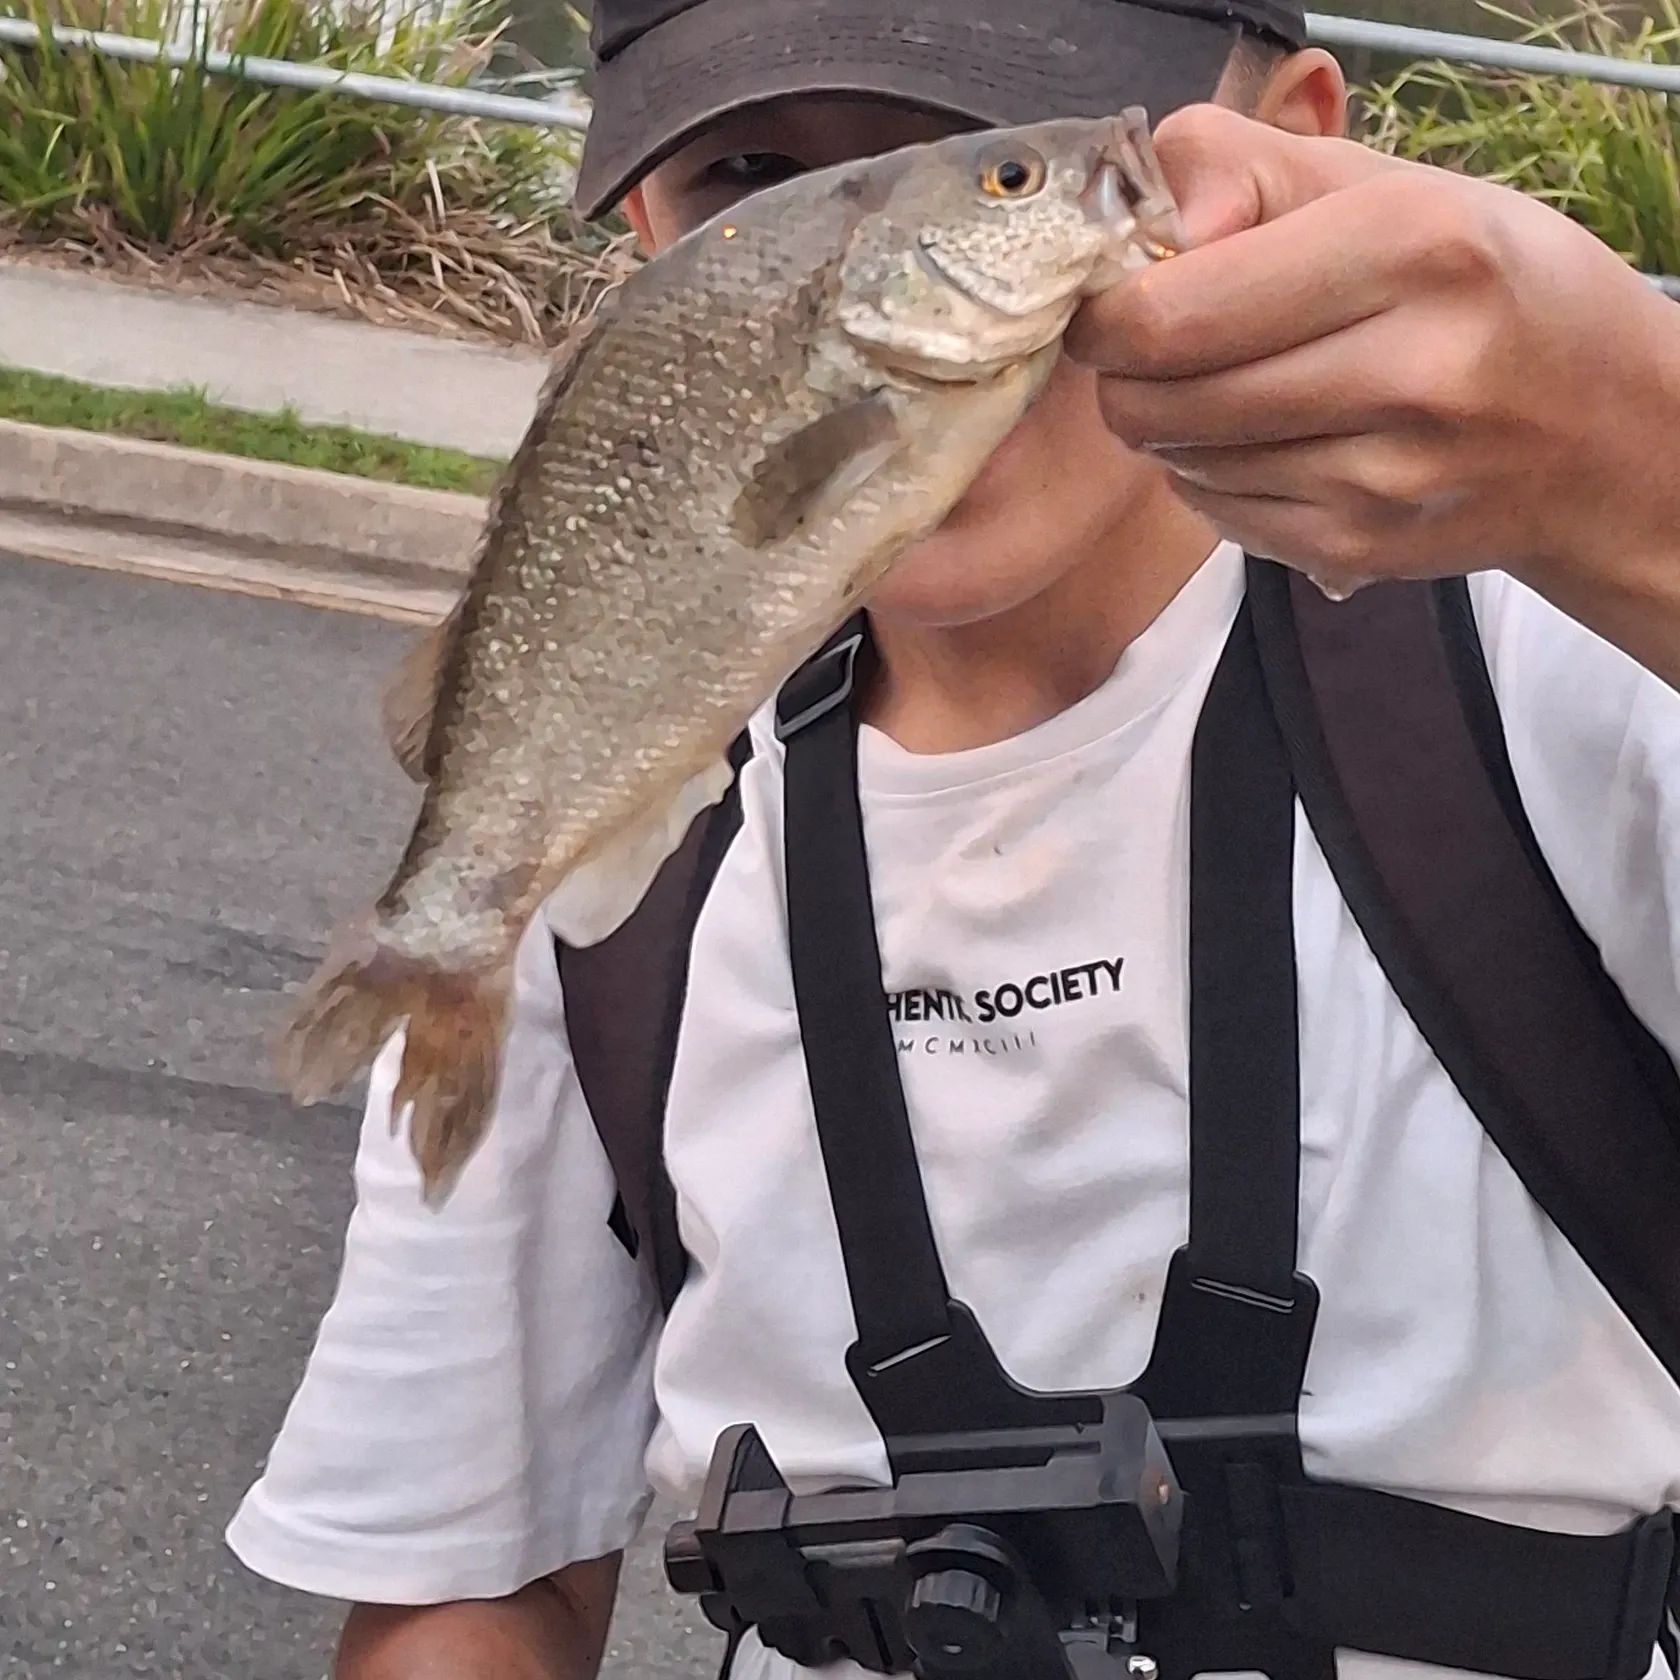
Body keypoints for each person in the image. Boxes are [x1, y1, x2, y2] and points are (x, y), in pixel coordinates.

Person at [225, 0, 1680, 1674]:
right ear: (655, 242)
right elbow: (463, 1578)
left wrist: (1642, 469)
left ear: (1288, 150)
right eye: (751, 176)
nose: (850, 278)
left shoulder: (1576, 667)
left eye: (983, 153)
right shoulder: (607, 824)